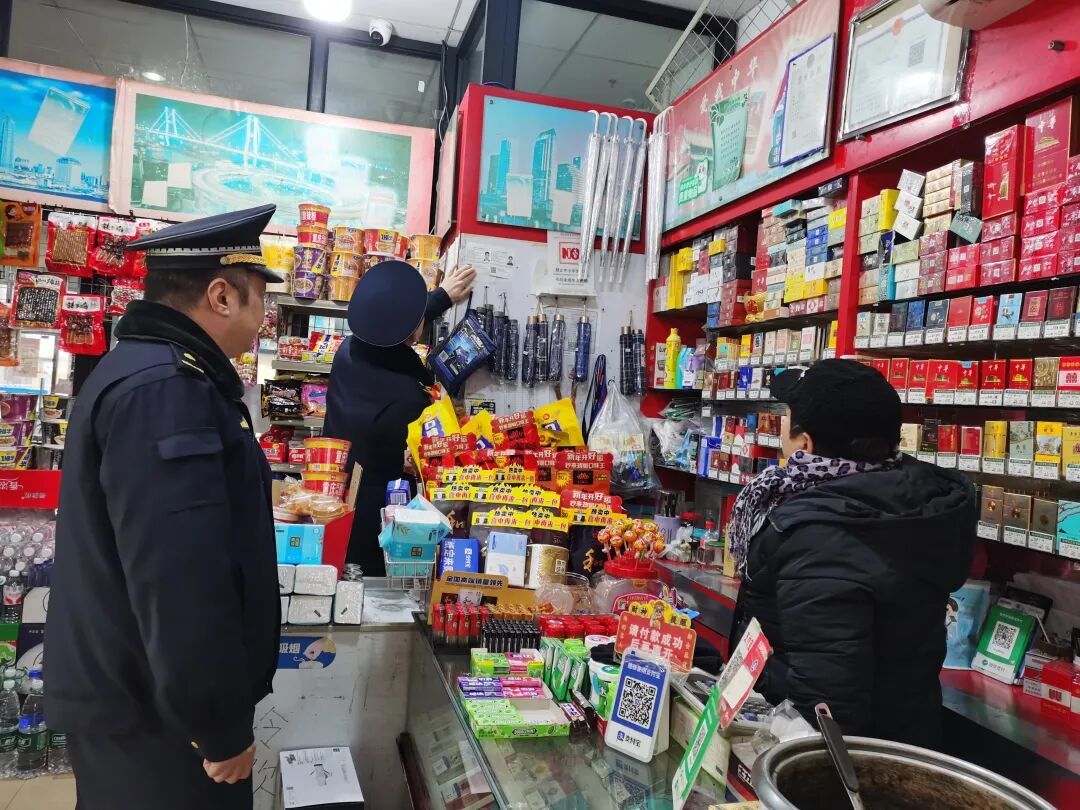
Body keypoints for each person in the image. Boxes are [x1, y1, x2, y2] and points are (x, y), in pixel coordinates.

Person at [46, 205, 283, 810]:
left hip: (144, 702)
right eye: (260, 299)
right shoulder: (167, 391)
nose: (264, 318)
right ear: (221, 296)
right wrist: (218, 723)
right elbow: (180, 578)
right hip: (158, 721)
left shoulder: (150, 371)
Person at [729, 359, 976, 749]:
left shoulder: (820, 534)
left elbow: (827, 710)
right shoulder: (911, 501)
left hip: (836, 760)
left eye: (786, 418)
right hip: (903, 738)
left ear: (805, 445)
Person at [322, 261, 474, 575]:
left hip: (342, 500)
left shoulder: (349, 351)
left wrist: (441, 297)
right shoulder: (407, 396)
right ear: (411, 333)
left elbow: (390, 317)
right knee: (377, 581)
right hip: (384, 514)